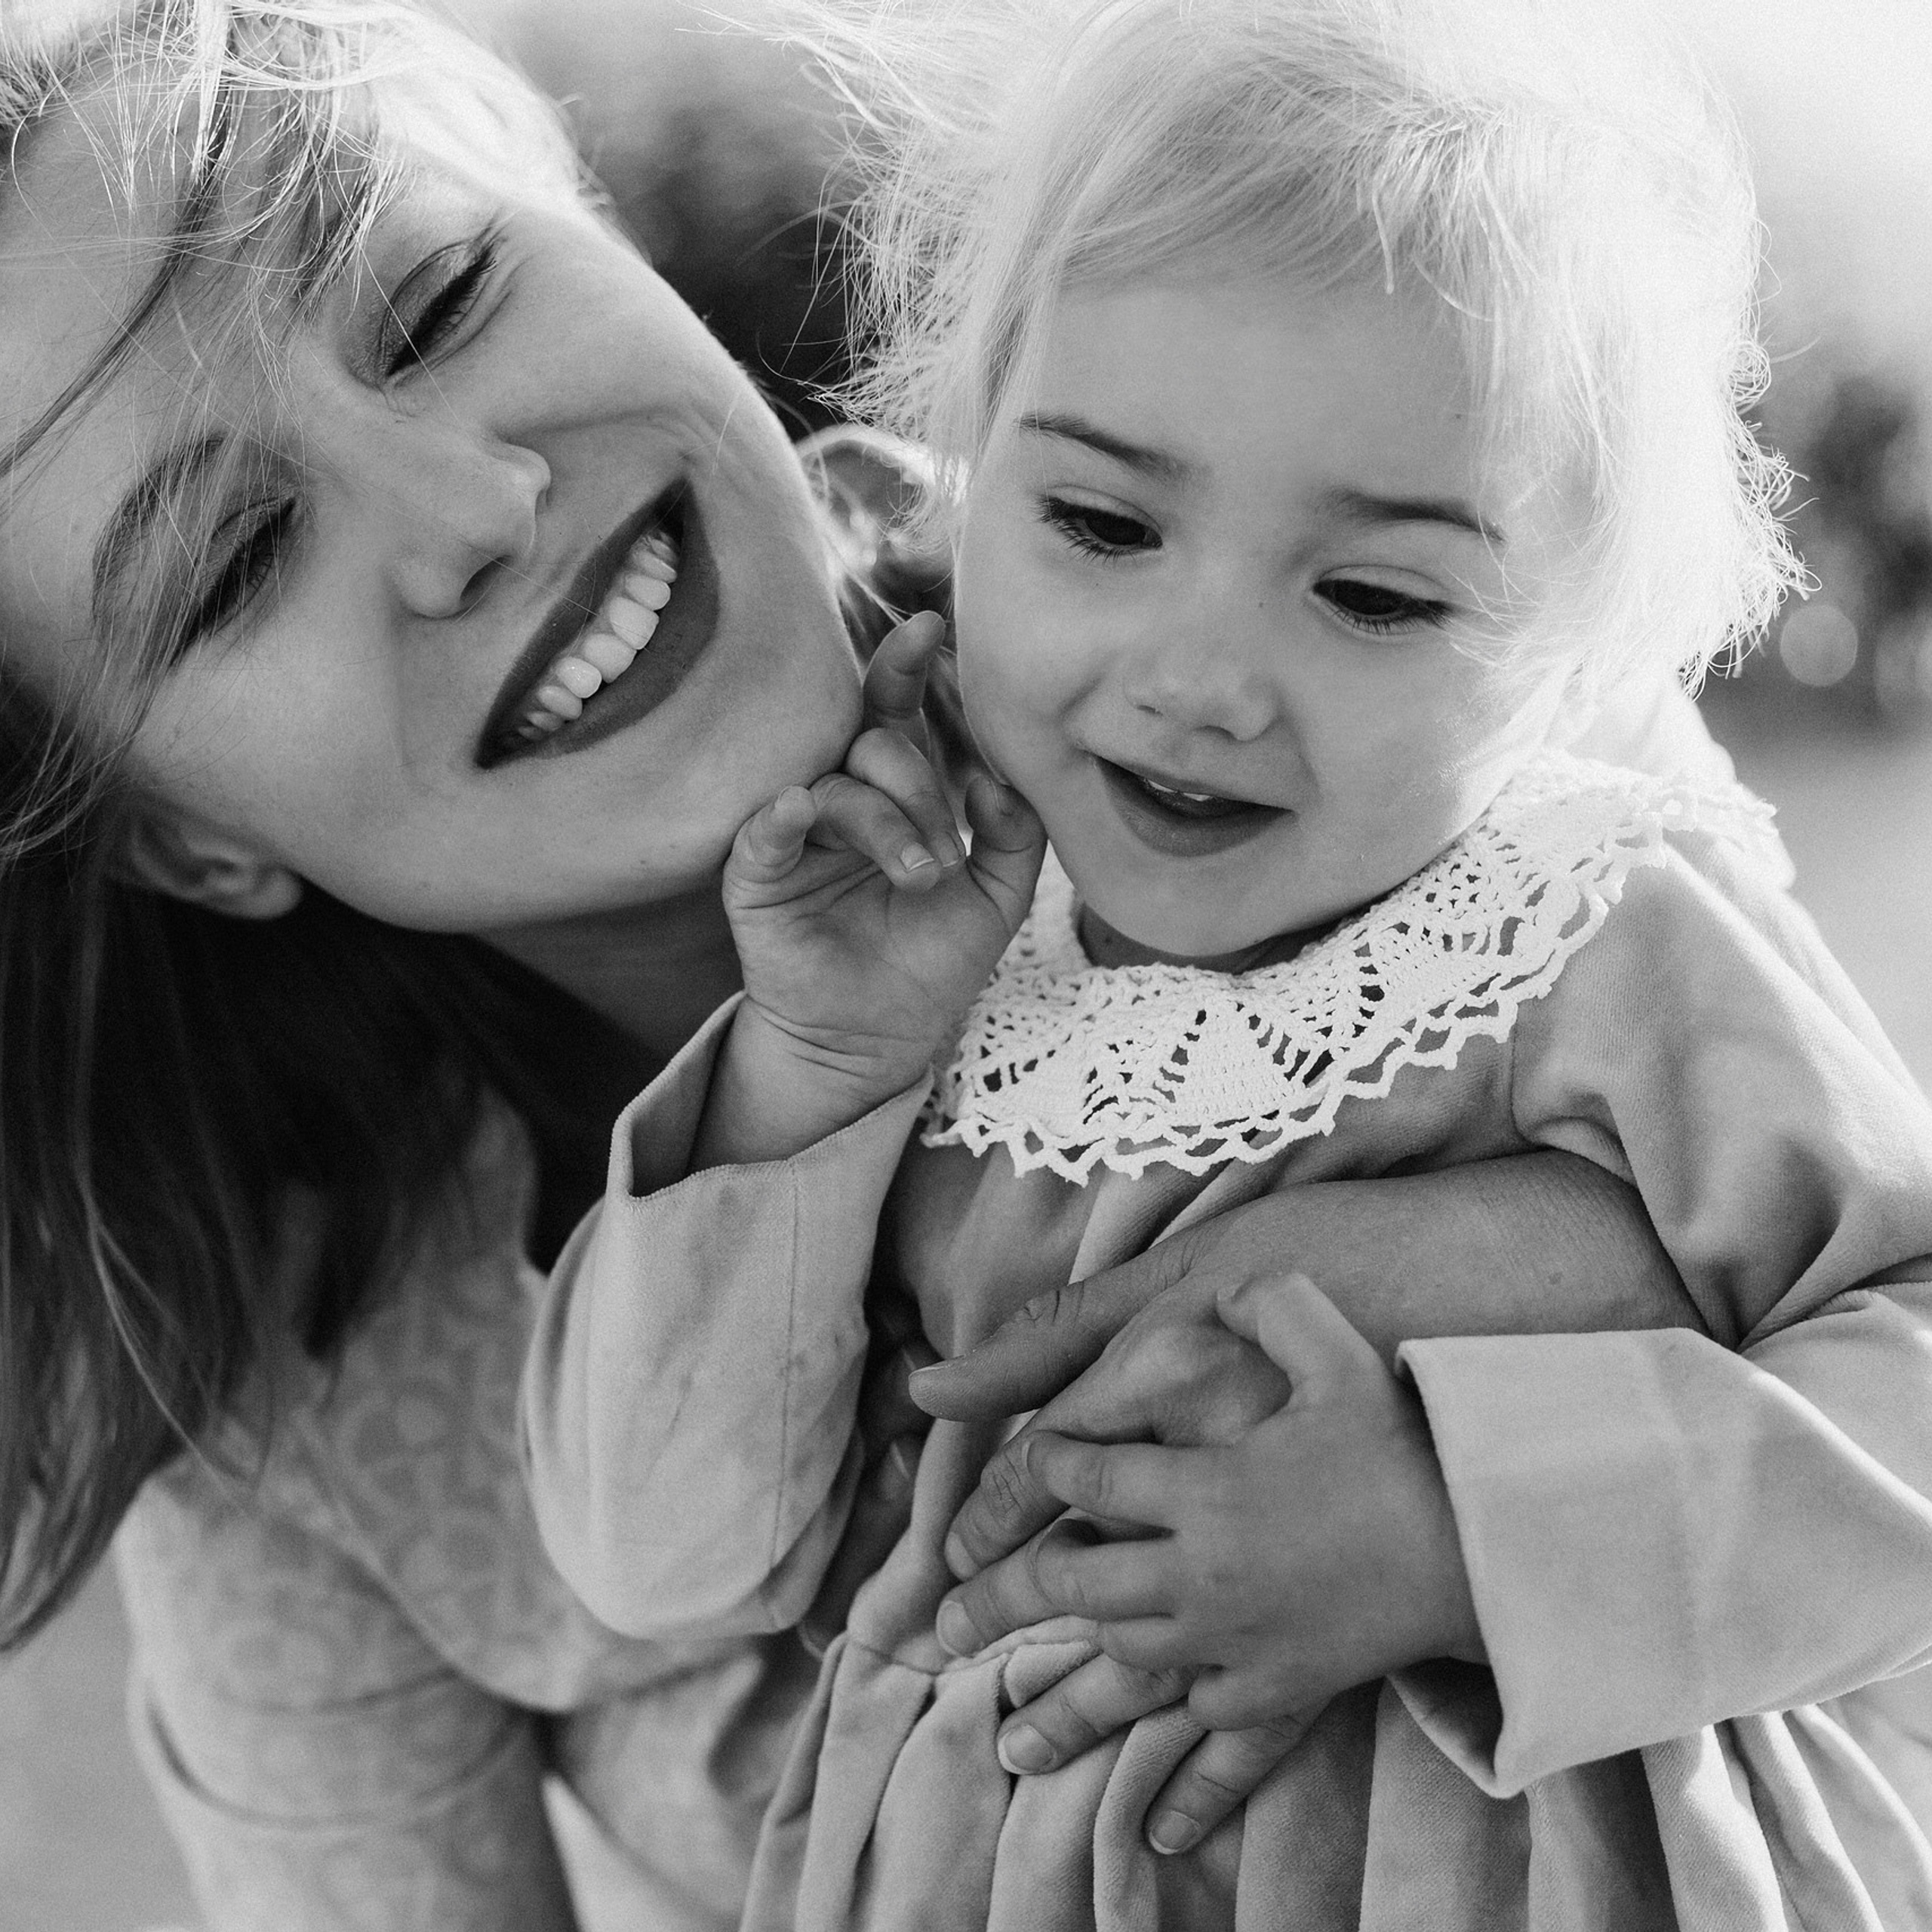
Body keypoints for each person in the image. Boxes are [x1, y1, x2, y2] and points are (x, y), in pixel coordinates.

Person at [0, 2, 1721, 1925]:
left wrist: (1471, 1474)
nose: (472, 511)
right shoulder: (305, 1429)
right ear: (183, 835)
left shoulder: (1306, 607)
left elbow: (1851, 1303)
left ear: (587, 213)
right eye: (231, 559)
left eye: (437, 297)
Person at [521, 0, 1932, 1926]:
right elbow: (654, 1550)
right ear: (971, 460)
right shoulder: (917, 905)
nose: (1198, 679)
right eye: (1099, 520)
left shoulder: (1582, 923)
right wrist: (814, 1063)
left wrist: (1453, 1530)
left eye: (1371, 592)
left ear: (1567, 638)